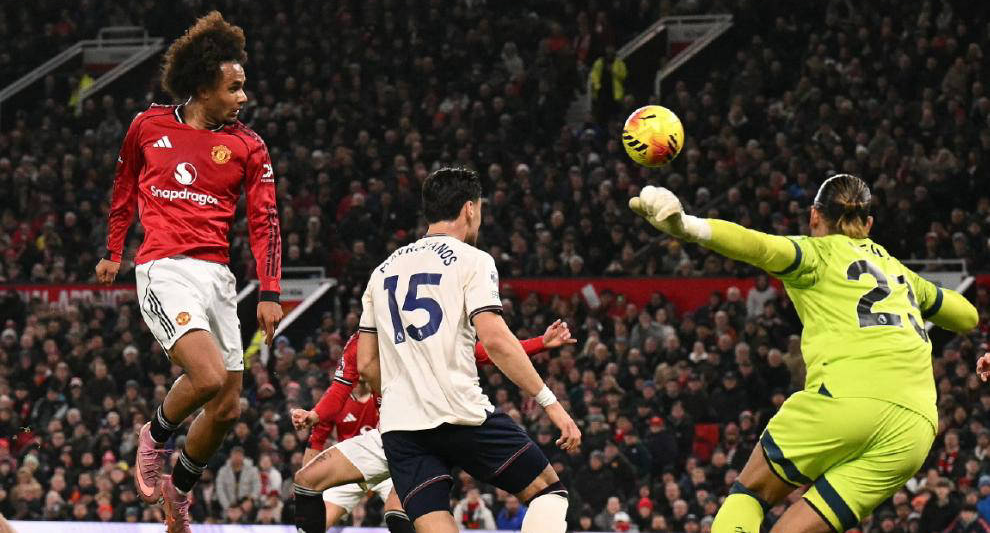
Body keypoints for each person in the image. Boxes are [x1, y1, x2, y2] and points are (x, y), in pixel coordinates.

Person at [629, 174, 977, 533]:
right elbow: (967, 317)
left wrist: (687, 226)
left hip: (847, 400)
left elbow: (757, 245)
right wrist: (922, 296)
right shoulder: (899, 273)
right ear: (868, 225)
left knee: (751, 493)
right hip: (915, 428)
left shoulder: (817, 254)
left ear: (814, 216)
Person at [307, 167, 580, 533]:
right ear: (470, 208)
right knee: (548, 493)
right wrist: (551, 404)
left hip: (401, 427)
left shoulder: (382, 271)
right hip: (459, 412)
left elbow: (367, 363)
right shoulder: (473, 260)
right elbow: (496, 341)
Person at [95, 11, 283, 533]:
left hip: (217, 277)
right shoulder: (148, 125)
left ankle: (177, 492)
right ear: (202, 87)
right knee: (208, 375)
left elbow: (265, 220)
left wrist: (270, 291)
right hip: (164, 268)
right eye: (234, 88)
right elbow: (124, 189)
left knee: (226, 410)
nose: (244, 97)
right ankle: (154, 436)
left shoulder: (248, 145)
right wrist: (114, 249)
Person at [290, 319, 576, 532]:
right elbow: (339, 389)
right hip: (388, 434)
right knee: (306, 480)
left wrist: (540, 343)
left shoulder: (419, 335)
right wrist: (315, 414)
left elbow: (483, 351)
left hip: (421, 437)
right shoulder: (359, 343)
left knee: (398, 514)